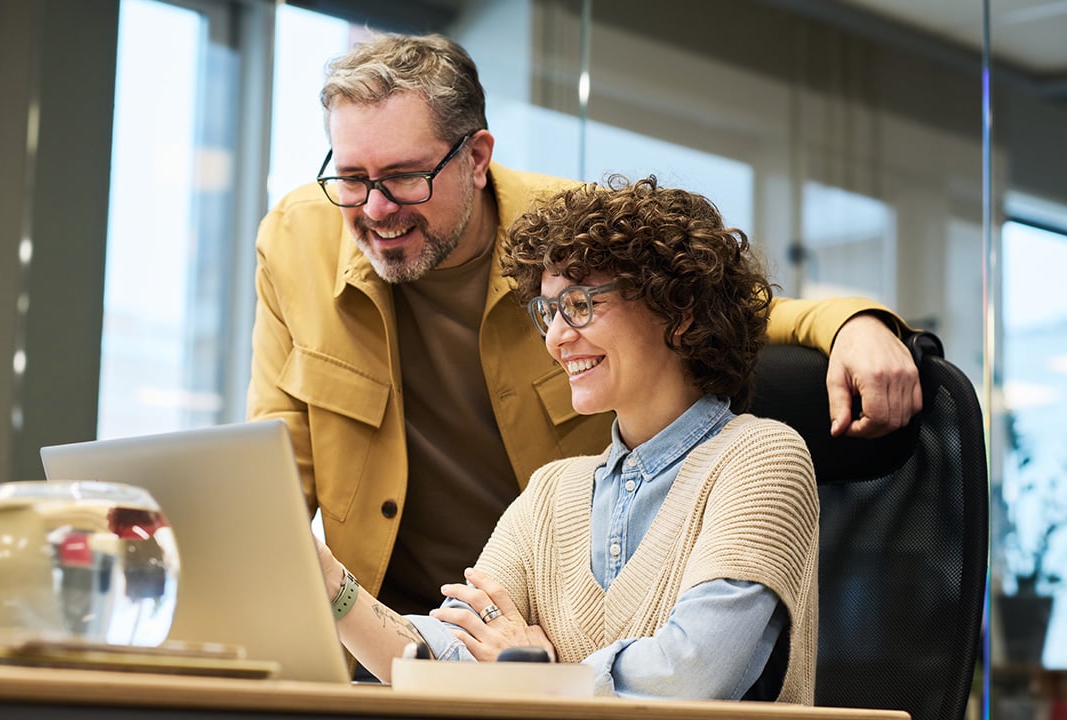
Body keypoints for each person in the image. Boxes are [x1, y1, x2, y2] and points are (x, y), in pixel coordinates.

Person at [246, 32, 917, 619]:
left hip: (555, 627)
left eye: (404, 176)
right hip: (386, 627)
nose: (375, 207)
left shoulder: (565, 234)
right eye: (352, 177)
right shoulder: (295, 237)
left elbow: (726, 303)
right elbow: (273, 468)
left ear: (476, 157)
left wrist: (852, 323)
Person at [314, 175, 818, 702]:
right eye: (548, 312)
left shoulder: (761, 458)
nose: (556, 338)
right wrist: (333, 587)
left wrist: (538, 676)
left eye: (579, 305)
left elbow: (689, 674)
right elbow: (449, 657)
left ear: (678, 309)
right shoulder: (552, 492)